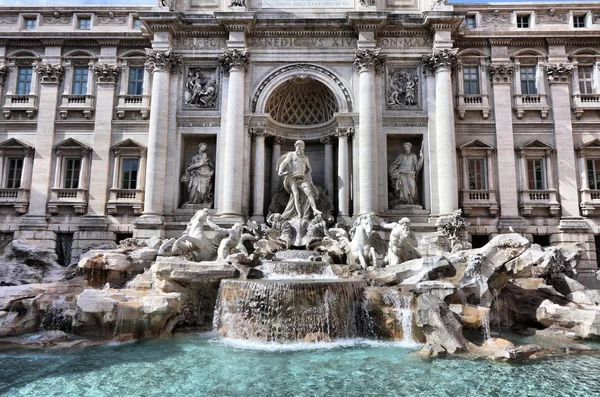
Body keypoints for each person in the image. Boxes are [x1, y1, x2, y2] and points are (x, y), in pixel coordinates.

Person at [277, 140, 322, 220]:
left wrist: (308, 173)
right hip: (292, 177)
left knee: (308, 191)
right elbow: (284, 163)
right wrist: (280, 170)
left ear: (303, 148)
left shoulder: (305, 158)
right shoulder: (292, 155)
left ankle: (314, 209)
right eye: (297, 146)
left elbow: (309, 168)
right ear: (295, 146)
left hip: (302, 178)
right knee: (296, 194)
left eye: (300, 146)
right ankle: (299, 214)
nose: (298, 147)